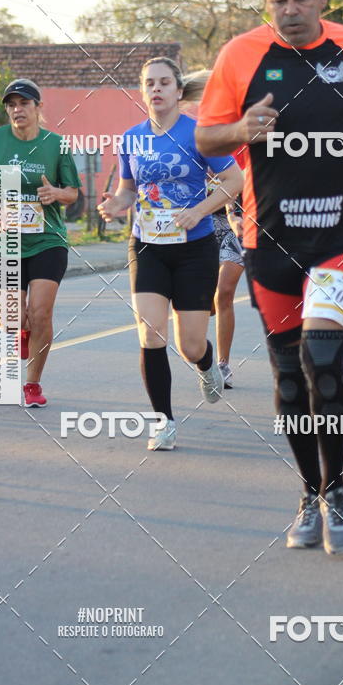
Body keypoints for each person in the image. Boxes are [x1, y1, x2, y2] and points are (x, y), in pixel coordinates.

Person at [195, 0, 343, 555]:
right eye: (277, 0)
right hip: (270, 241)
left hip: (339, 237)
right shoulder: (239, 56)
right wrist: (240, 130)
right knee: (288, 382)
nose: (289, 10)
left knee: (323, 362)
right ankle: (311, 492)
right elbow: (205, 136)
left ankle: (338, 490)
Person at [98, 58, 243, 451]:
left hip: (195, 248)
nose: (156, 89)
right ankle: (163, 423)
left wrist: (199, 210)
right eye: (150, 83)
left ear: (179, 91)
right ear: (142, 91)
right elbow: (129, 189)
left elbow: (234, 179)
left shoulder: (199, 134)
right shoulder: (131, 138)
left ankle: (207, 364)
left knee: (190, 345)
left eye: (164, 83)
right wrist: (115, 204)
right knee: (150, 333)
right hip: (147, 246)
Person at [0, 79, 81, 408]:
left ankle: (32, 384)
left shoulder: (56, 145)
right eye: (11, 105)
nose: (17, 109)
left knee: (41, 313)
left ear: (38, 107)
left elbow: (72, 192)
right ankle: (21, 330)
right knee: (11, 318)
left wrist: (55, 193)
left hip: (47, 239)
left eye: (24, 103)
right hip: (5, 241)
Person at [208, 173, 245, 387]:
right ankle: (202, 355)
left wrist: (232, 211)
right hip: (201, 228)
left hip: (235, 229)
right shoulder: (189, 158)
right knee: (206, 304)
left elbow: (236, 186)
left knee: (224, 293)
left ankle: (223, 364)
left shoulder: (232, 160)